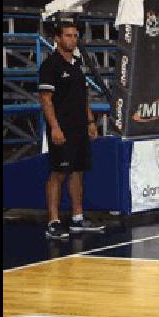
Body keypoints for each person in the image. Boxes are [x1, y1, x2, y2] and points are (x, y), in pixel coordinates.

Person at [38, 22, 106, 240]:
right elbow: (46, 100)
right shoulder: (50, 66)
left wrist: (90, 122)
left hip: (79, 128)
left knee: (78, 171)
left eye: (75, 36)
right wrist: (55, 127)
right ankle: (53, 222)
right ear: (57, 38)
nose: (72, 39)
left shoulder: (77, 64)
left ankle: (77, 218)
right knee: (58, 173)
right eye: (68, 36)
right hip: (62, 129)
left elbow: (83, 97)